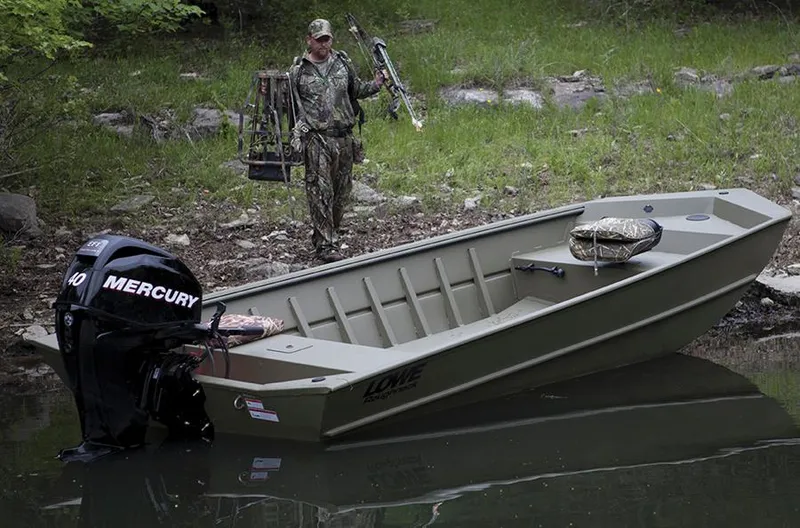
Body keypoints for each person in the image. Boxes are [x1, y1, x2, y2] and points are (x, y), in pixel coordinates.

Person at [288, 18, 385, 263]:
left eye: (327, 38)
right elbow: (283, 103)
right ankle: (326, 246)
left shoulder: (342, 63)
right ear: (309, 39)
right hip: (316, 139)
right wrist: (269, 93)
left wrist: (377, 83)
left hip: (344, 138)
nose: (323, 43)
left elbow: (358, 90)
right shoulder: (298, 71)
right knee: (320, 192)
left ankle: (329, 233)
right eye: (319, 39)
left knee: (342, 193)